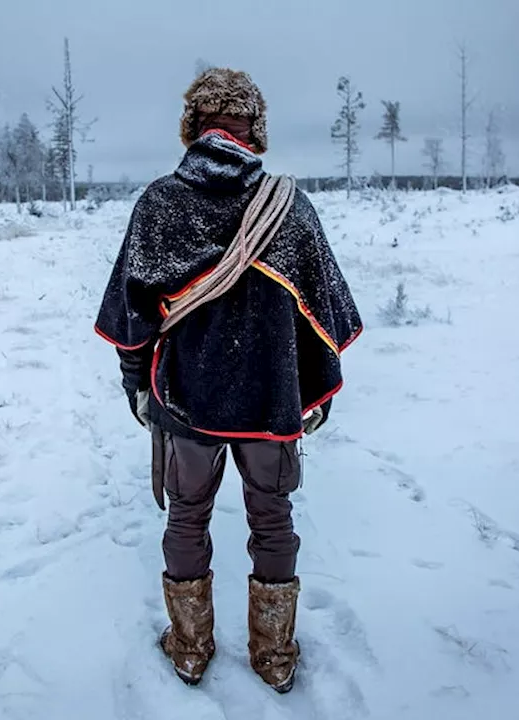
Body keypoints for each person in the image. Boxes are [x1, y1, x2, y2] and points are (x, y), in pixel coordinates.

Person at [93, 68, 362, 693]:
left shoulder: (160, 202)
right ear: (254, 130)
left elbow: (131, 313)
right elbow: (324, 317)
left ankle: (189, 648)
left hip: (185, 401)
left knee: (187, 516)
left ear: (194, 126)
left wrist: (137, 382)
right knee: (273, 519)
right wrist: (310, 395)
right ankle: (274, 655)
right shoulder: (288, 206)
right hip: (270, 402)